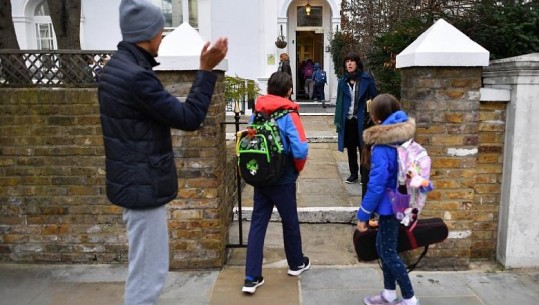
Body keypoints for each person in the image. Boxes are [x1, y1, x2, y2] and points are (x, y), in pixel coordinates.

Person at [97, 1, 227, 305]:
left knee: (141, 271)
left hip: (132, 183)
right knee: (147, 279)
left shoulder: (116, 67)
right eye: (160, 31)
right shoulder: (136, 78)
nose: (163, 37)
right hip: (143, 189)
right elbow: (189, 117)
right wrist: (206, 69)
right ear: (146, 34)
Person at [242, 71, 310, 294]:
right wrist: (296, 170)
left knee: (257, 223)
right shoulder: (290, 114)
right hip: (283, 176)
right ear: (289, 90)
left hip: (261, 176)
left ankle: (251, 277)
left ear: (270, 88)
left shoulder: (258, 112)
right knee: (290, 221)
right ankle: (296, 263)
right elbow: (300, 149)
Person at [356, 94, 419, 305]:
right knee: (384, 247)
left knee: (389, 251)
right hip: (401, 201)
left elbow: (376, 184)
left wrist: (363, 215)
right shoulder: (403, 134)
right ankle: (389, 294)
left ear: (377, 117)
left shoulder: (384, 144)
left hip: (390, 206)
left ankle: (410, 298)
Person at [334, 52, 378, 197]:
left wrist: (372, 116)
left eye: (352, 61)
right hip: (347, 119)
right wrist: (339, 120)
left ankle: (363, 173)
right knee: (351, 147)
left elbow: (375, 97)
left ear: (357, 63)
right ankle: (353, 173)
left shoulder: (366, 79)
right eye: (347, 61)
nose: (349, 64)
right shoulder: (342, 81)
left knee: (362, 147)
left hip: (362, 119)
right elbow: (339, 102)